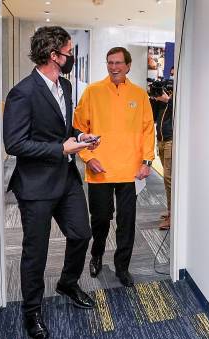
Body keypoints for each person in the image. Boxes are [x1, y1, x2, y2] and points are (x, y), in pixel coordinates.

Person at [3, 26, 100, 339]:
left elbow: (61, 126)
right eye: (69, 52)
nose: (72, 57)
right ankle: (32, 311)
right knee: (36, 251)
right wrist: (60, 149)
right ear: (52, 55)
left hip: (66, 178)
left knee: (82, 234)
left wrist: (79, 137)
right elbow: (15, 143)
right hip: (35, 185)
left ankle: (67, 283)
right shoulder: (23, 92)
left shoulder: (67, 85)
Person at [74, 47, 155, 287]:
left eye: (119, 63)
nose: (114, 67)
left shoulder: (139, 95)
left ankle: (122, 267)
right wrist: (88, 158)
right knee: (100, 219)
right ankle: (96, 255)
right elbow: (78, 130)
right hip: (100, 169)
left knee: (126, 222)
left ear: (128, 66)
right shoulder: (93, 91)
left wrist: (147, 161)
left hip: (130, 171)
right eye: (110, 62)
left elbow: (148, 130)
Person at [151, 66, 174, 230]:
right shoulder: (162, 99)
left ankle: (173, 215)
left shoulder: (177, 99)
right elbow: (153, 117)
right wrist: (154, 99)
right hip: (160, 140)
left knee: (169, 179)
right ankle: (170, 210)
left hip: (171, 141)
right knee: (167, 180)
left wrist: (170, 101)